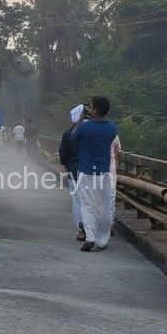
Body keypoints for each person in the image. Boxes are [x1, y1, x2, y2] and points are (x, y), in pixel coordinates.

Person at [73, 96, 118, 252]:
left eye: (91, 107)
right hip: (104, 173)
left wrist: (80, 119)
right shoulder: (112, 128)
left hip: (86, 172)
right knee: (103, 206)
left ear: (95, 110)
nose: (89, 110)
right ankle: (102, 240)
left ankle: (90, 237)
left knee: (87, 205)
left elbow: (74, 137)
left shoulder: (85, 128)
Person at [59, 104, 84, 241]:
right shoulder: (88, 132)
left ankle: (80, 228)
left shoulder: (68, 133)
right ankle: (91, 227)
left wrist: (66, 165)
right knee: (89, 200)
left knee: (77, 201)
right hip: (89, 170)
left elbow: (63, 154)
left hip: (72, 170)